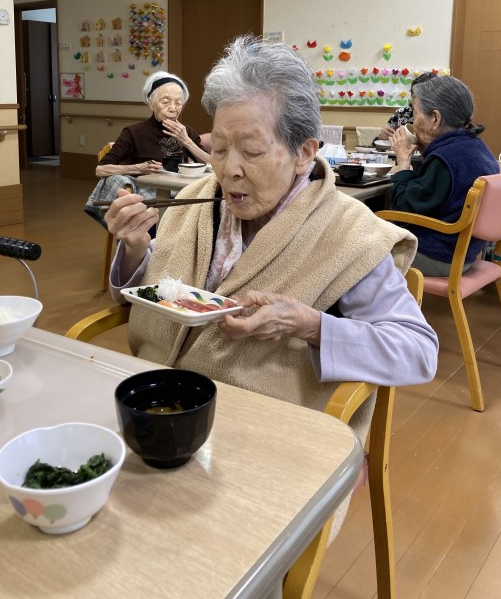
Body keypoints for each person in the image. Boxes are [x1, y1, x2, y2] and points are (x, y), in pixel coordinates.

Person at [104, 37, 438, 475]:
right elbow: (157, 287)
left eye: (252, 151)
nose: (229, 170)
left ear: (303, 153)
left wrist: (308, 325)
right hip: (155, 409)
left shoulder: (349, 232)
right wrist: (134, 249)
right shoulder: (193, 200)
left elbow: (417, 352)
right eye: (219, 149)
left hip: (267, 434)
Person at [390, 75, 499, 276]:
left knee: (361, 240)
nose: (413, 121)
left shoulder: (446, 159)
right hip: (465, 252)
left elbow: (403, 210)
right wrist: (427, 150)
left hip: (437, 255)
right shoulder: (475, 147)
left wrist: (403, 162)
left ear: (435, 118)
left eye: (416, 113)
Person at [84, 71, 209, 227]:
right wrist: (138, 168)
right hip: (148, 200)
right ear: (151, 103)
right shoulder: (134, 132)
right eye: (165, 102)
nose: (173, 108)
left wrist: (186, 141)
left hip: (181, 195)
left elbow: (213, 164)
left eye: (178, 103)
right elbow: (101, 169)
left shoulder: (185, 132)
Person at [374, 71, 438, 143]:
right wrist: (381, 138)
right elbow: (377, 145)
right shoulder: (402, 114)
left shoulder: (441, 118)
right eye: (415, 96)